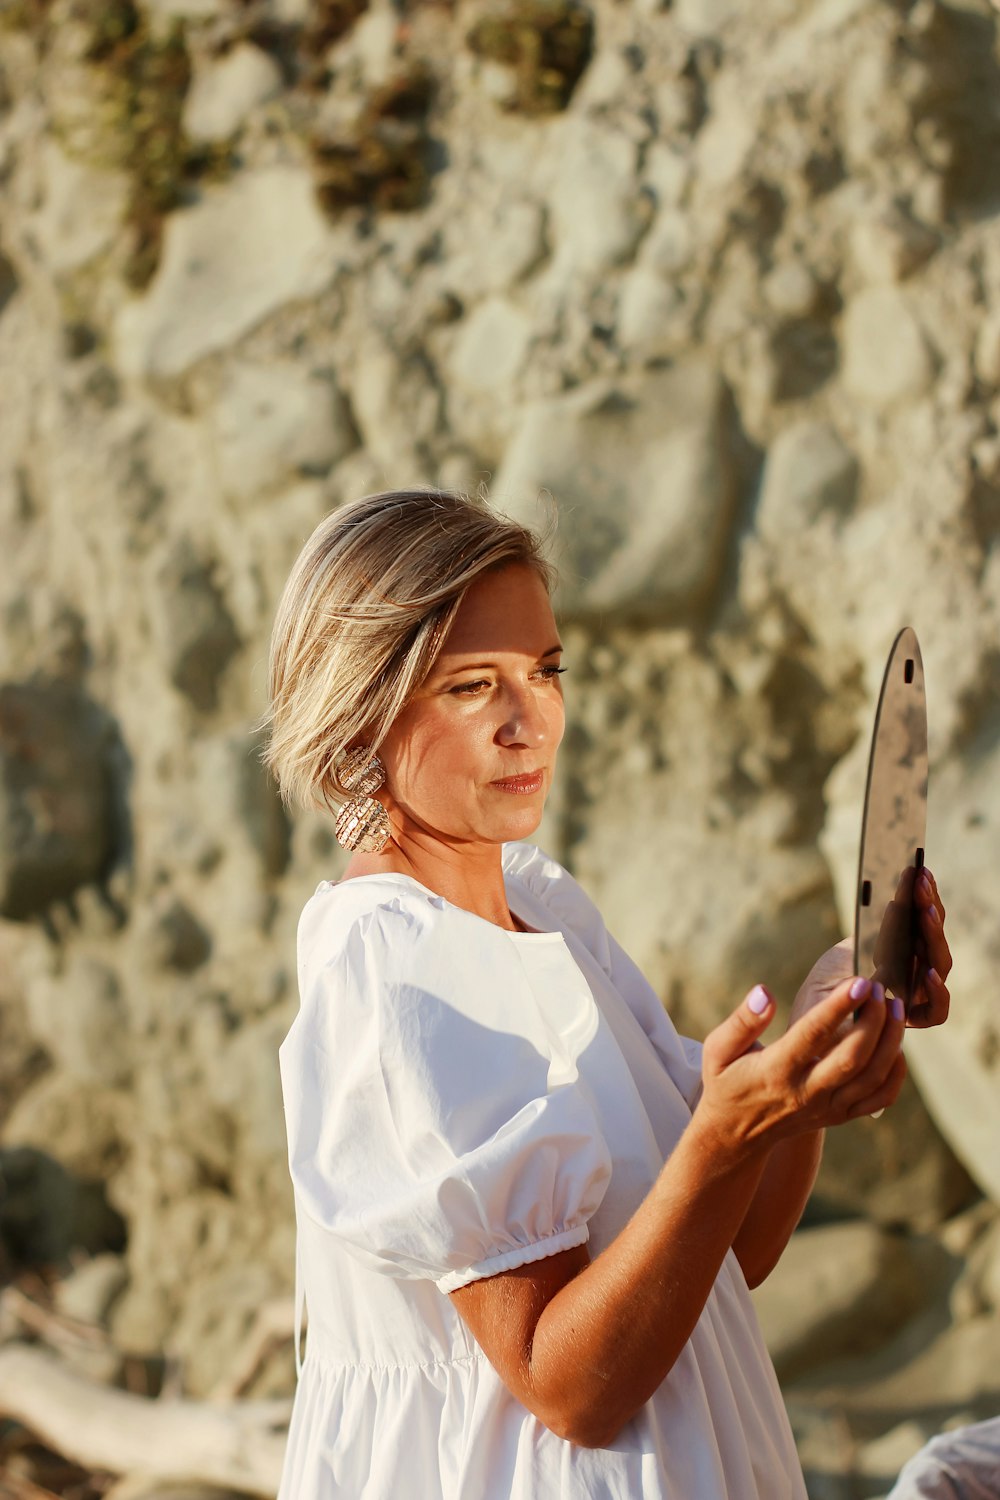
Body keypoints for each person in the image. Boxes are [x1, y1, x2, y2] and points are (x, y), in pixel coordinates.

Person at [262, 488, 952, 1500]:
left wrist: (790, 1079)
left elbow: (726, 1258)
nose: (526, 719)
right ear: (361, 705)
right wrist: (722, 1134)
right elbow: (569, 1388)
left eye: (544, 671)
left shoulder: (542, 913)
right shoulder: (393, 971)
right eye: (470, 686)